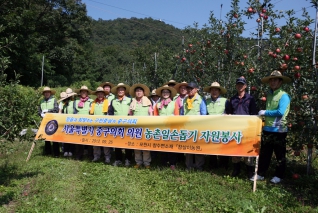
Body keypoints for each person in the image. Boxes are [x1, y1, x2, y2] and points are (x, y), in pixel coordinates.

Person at [250, 70, 291, 184]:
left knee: (280, 154)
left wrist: (265, 112)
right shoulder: (269, 94)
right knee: (265, 153)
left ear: (280, 82)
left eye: (275, 80)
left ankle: (279, 175)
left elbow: (281, 111)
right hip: (268, 128)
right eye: (271, 80)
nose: (273, 82)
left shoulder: (284, 96)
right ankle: (261, 174)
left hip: (279, 129)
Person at [225, 76, 257, 178]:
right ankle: (236, 169)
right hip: (235, 128)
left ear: (245, 86)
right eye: (238, 84)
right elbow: (229, 112)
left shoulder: (250, 99)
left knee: (248, 149)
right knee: (235, 149)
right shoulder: (232, 99)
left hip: (247, 128)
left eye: (242, 84)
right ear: (236, 86)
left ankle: (249, 171)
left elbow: (254, 113)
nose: (240, 86)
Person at [203, 82, 229, 170]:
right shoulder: (206, 101)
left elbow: (229, 113)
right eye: (212, 90)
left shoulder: (225, 101)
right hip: (211, 127)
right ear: (210, 91)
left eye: (216, 90)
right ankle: (212, 165)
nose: (214, 92)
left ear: (219, 91)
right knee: (212, 146)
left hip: (222, 127)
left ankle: (224, 165)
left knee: (223, 146)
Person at [182, 82, 207, 171]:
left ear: (196, 89)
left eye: (191, 88)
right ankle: (188, 166)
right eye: (188, 88)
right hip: (187, 127)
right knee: (188, 148)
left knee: (198, 148)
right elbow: (182, 113)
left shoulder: (201, 99)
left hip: (197, 127)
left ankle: (199, 166)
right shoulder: (185, 100)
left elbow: (204, 113)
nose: (189, 90)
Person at [153, 85, 179, 170]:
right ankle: (163, 163)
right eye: (164, 92)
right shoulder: (157, 104)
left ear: (170, 94)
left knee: (172, 146)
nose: (165, 94)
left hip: (172, 128)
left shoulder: (174, 103)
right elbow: (155, 116)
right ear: (161, 94)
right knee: (162, 146)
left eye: (167, 92)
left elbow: (177, 115)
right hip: (161, 128)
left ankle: (172, 163)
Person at [108, 83, 133, 167]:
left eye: (122, 89)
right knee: (117, 143)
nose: (120, 91)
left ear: (125, 91)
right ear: (116, 91)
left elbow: (133, 112)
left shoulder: (130, 100)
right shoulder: (113, 101)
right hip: (117, 126)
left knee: (128, 143)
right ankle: (118, 159)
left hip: (128, 125)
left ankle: (128, 159)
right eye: (119, 90)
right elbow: (110, 113)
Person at [129, 83, 153, 169]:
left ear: (143, 92)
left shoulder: (148, 101)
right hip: (135, 127)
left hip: (145, 127)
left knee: (146, 146)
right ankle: (138, 162)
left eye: (140, 91)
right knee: (136, 146)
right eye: (137, 91)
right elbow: (130, 114)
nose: (138, 92)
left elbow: (151, 113)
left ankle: (147, 163)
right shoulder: (133, 102)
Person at [90, 87, 112, 163]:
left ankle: (107, 157)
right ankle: (96, 156)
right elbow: (90, 114)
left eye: (101, 93)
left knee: (105, 142)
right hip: (95, 125)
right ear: (96, 94)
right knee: (95, 142)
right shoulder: (93, 103)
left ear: (104, 94)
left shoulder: (108, 102)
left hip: (104, 125)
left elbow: (110, 113)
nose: (100, 95)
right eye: (98, 93)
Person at [38, 87, 59, 156]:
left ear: (50, 93)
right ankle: (48, 152)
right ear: (44, 94)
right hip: (44, 120)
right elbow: (39, 110)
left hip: (53, 121)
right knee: (46, 137)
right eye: (45, 92)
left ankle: (56, 153)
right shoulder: (41, 101)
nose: (47, 93)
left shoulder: (54, 100)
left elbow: (56, 109)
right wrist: (41, 114)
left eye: (48, 92)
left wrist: (48, 111)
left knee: (54, 137)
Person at [74, 85, 93, 160]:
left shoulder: (91, 101)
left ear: (87, 93)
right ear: (80, 93)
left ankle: (90, 155)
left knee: (89, 140)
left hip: (88, 123)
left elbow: (92, 112)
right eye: (82, 91)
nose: (84, 93)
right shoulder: (76, 102)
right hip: (79, 123)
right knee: (79, 140)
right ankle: (79, 155)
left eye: (85, 91)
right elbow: (74, 112)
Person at [59, 88, 77, 157]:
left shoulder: (74, 101)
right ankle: (66, 150)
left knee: (72, 136)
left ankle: (71, 150)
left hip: (73, 121)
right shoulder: (63, 102)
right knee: (65, 136)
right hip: (65, 121)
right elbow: (60, 111)